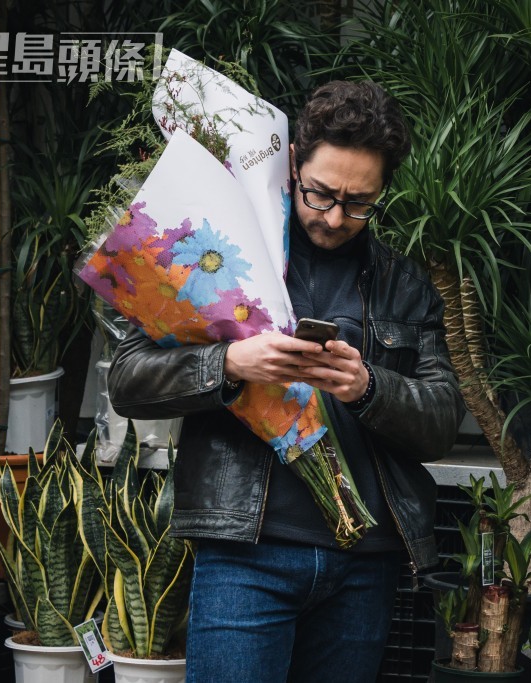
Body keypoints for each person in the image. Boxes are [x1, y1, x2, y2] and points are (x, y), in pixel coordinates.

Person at [107, 80, 464, 682]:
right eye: (320, 193)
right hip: (246, 555)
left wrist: (369, 386)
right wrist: (229, 365)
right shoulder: (214, 253)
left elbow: (441, 423)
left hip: (364, 563)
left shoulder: (406, 285)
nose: (333, 216)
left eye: (358, 202)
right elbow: (128, 380)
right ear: (293, 161)